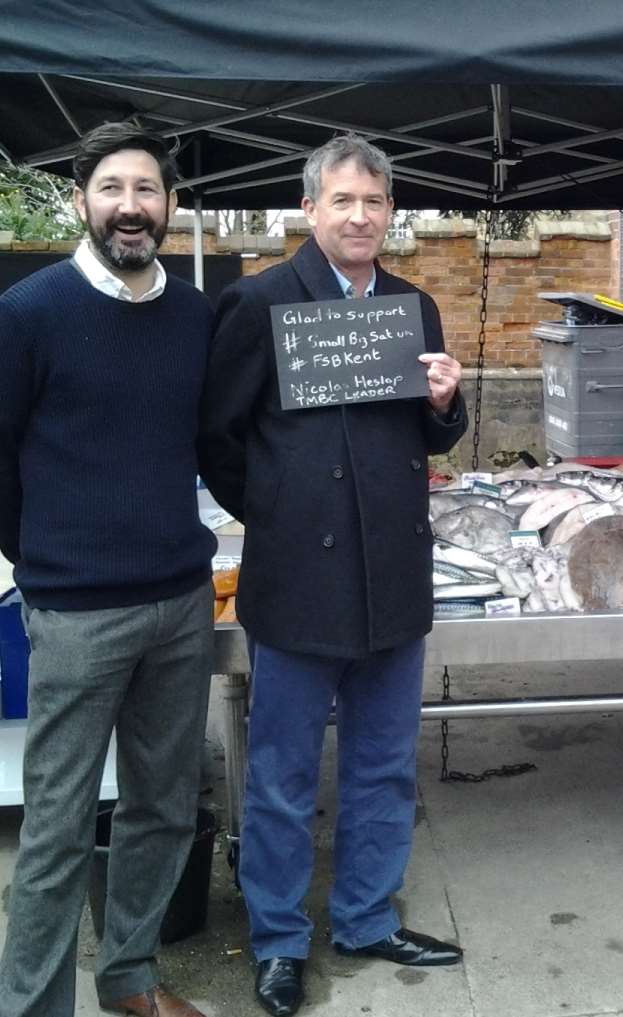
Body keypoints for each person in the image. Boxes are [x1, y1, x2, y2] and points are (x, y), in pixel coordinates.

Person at [198, 133, 468, 1017]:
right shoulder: (258, 303)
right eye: (343, 201)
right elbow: (219, 441)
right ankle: (278, 938)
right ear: (309, 209)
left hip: (393, 573)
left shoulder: (413, 306)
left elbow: (432, 436)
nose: (360, 216)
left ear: (392, 215)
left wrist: (444, 403)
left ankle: (362, 915)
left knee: (385, 763)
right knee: (279, 773)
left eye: (376, 203)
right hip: (298, 578)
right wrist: (276, 510)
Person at [0, 123, 215, 1017]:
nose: (132, 206)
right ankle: (32, 1004)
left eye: (148, 190)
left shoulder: (195, 314)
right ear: (82, 199)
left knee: (162, 808)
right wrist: (44, 558)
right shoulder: (29, 313)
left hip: (180, 599)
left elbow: (208, 443)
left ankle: (128, 976)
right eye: (113, 188)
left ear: (169, 204)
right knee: (54, 826)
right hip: (77, 613)